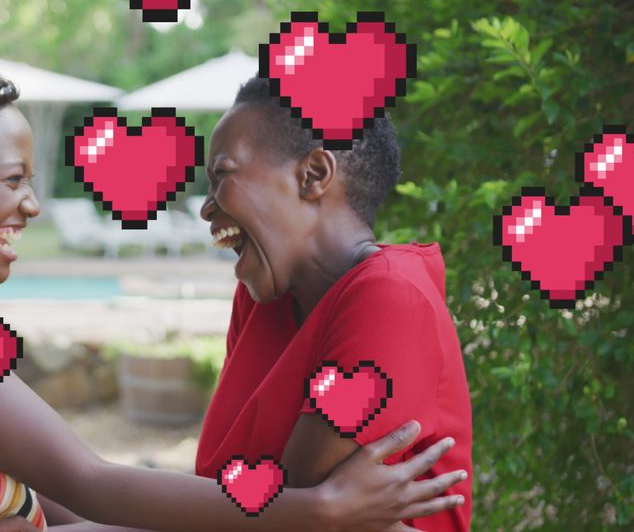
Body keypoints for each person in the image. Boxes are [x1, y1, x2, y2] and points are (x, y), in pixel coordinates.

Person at [0, 60, 468, 532]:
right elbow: (88, 482)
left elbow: (73, 498)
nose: (33, 205)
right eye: (13, 179)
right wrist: (323, 511)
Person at [194, 77, 474, 531]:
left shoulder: (391, 296)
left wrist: (311, 502)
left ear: (314, 175)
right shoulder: (264, 298)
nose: (207, 208)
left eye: (222, 174)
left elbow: (293, 504)